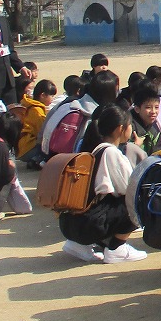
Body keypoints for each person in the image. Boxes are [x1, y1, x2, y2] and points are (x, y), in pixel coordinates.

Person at [59, 104, 148, 264]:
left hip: (73, 223)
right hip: (90, 225)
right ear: (120, 129)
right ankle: (117, 248)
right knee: (137, 202)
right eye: (129, 125)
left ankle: (80, 245)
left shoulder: (97, 150)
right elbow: (130, 187)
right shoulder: (112, 153)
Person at [17, 80, 57, 158]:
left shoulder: (31, 105)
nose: (53, 98)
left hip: (23, 146)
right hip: (28, 148)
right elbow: (43, 132)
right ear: (43, 95)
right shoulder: (37, 111)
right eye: (51, 96)